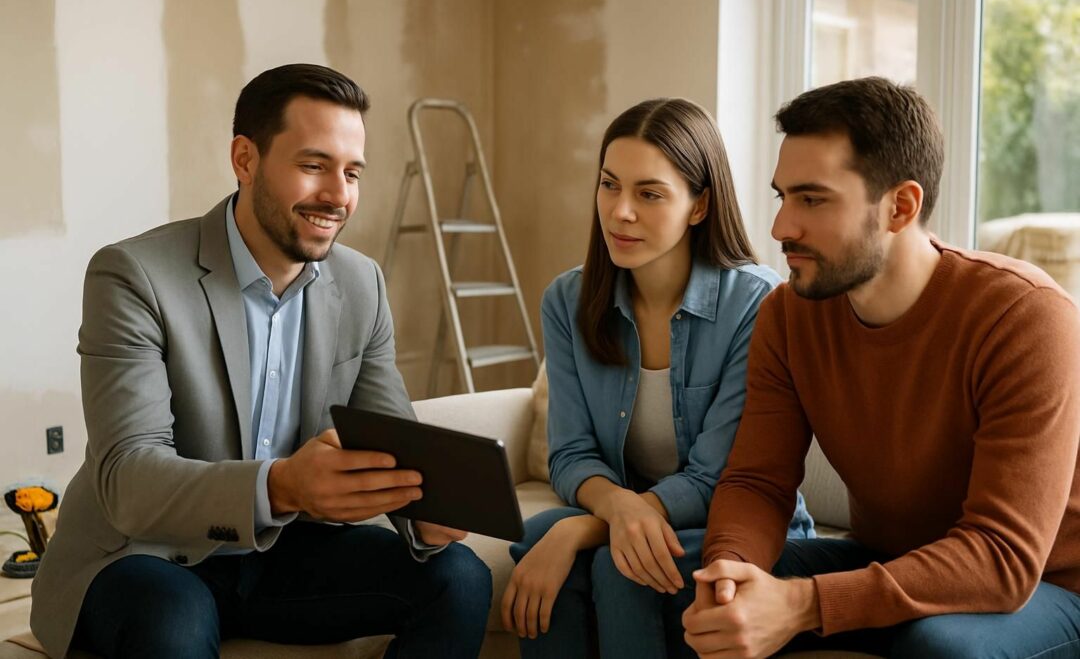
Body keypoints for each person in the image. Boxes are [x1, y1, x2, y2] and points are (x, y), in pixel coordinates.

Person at [31, 64, 492, 659]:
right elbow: (128, 478)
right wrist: (281, 485)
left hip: (284, 555)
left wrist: (426, 510)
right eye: (313, 165)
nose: (338, 194)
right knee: (174, 615)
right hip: (142, 554)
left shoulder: (362, 283)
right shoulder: (134, 275)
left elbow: (391, 440)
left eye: (352, 173)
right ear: (245, 160)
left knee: (458, 577)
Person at [682, 77, 1080, 658]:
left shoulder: (1024, 316)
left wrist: (801, 604)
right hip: (889, 560)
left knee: (942, 646)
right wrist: (728, 577)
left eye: (812, 200)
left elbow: (1002, 557)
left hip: (1046, 587)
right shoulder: (788, 315)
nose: (780, 228)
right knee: (672, 582)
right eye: (782, 197)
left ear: (900, 206)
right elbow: (758, 483)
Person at [501, 98, 815, 658]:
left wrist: (585, 526)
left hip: (737, 527)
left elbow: (718, 475)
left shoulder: (757, 302)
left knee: (618, 565)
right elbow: (571, 454)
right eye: (609, 185)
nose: (620, 212)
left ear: (698, 206)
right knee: (534, 538)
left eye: (649, 194)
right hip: (640, 515)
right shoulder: (568, 299)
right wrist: (617, 512)